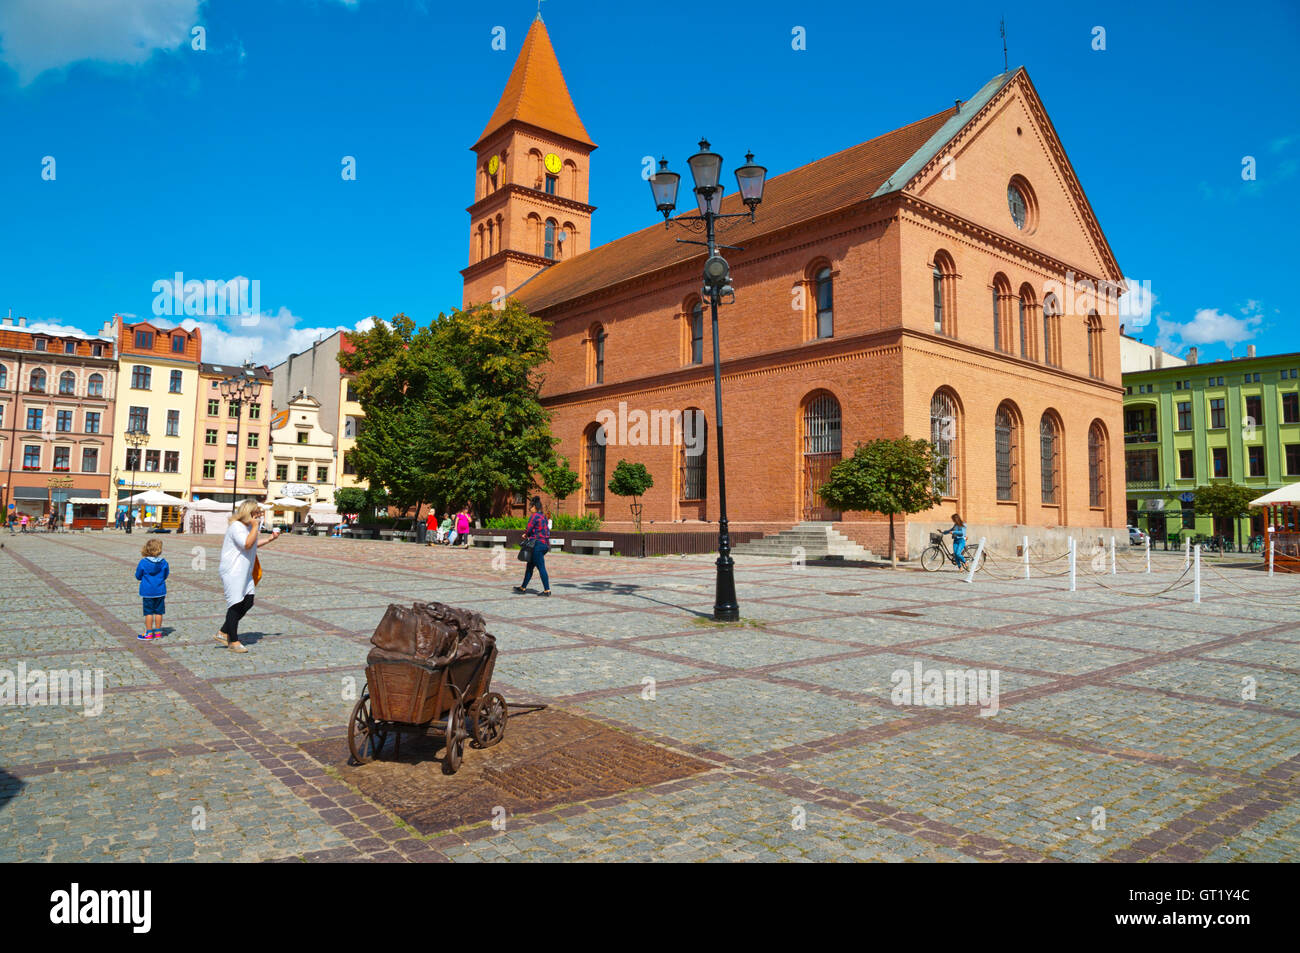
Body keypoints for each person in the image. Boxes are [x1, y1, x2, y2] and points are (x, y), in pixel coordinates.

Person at [217, 499, 282, 654]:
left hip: (244, 572)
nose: (259, 516)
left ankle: (223, 631)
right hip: (233, 571)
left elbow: (252, 543)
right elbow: (246, 544)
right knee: (235, 604)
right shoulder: (237, 527)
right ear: (250, 513)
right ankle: (233, 640)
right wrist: (254, 526)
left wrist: (269, 539)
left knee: (248, 601)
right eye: (257, 513)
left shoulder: (246, 527)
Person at [514, 496, 551, 597]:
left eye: (530, 506)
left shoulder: (534, 516)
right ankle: (523, 587)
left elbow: (529, 528)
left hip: (537, 545)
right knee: (530, 566)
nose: (529, 508)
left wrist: (525, 534)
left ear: (534, 506)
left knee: (541, 567)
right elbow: (544, 530)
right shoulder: (543, 516)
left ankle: (547, 590)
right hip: (545, 544)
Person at [135, 538, 170, 641]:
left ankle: (149, 633)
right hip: (160, 590)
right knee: (159, 612)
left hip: (147, 591)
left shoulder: (143, 562)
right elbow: (165, 575)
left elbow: (138, 575)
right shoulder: (164, 562)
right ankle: (158, 632)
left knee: (148, 612)